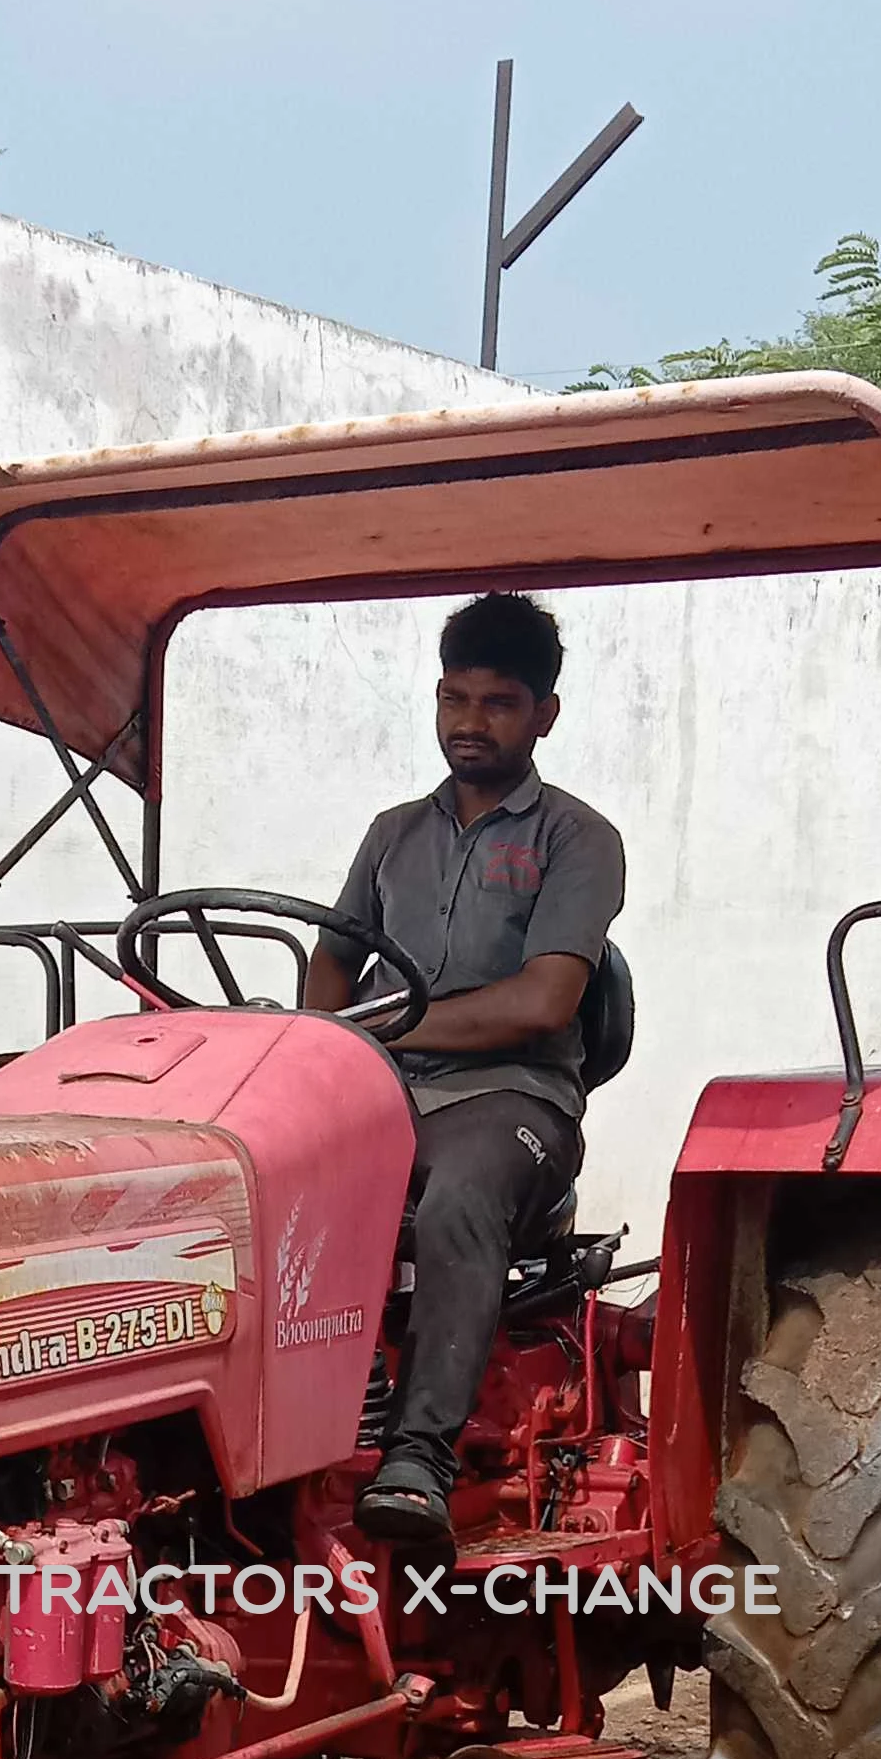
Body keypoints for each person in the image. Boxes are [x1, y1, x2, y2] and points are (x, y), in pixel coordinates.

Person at [305, 593, 625, 1547]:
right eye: (453, 698)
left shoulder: (577, 839)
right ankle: (299, 1420)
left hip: (513, 1099)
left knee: (458, 1198)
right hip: (381, 1091)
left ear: (543, 716)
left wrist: (381, 1032)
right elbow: (332, 956)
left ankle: (419, 1457)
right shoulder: (392, 832)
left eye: (496, 703)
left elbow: (544, 1002)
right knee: (254, 1179)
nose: (467, 723)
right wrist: (321, 1043)